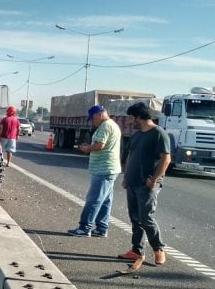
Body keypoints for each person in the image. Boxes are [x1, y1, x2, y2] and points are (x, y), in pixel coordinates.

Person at [118, 102, 171, 266]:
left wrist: (154, 180)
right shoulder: (137, 134)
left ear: (139, 117)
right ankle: (136, 250)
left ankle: (158, 249)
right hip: (132, 183)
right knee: (135, 218)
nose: (129, 121)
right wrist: (126, 178)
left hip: (147, 184)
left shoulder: (158, 133)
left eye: (131, 118)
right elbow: (131, 156)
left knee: (146, 218)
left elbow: (166, 159)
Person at [67, 105, 121, 237]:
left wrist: (87, 148)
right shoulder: (112, 124)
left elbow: (100, 145)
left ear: (99, 114)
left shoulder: (105, 126)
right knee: (105, 200)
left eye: (93, 118)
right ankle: (102, 228)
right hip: (109, 168)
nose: (92, 121)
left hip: (104, 168)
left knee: (94, 199)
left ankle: (85, 227)